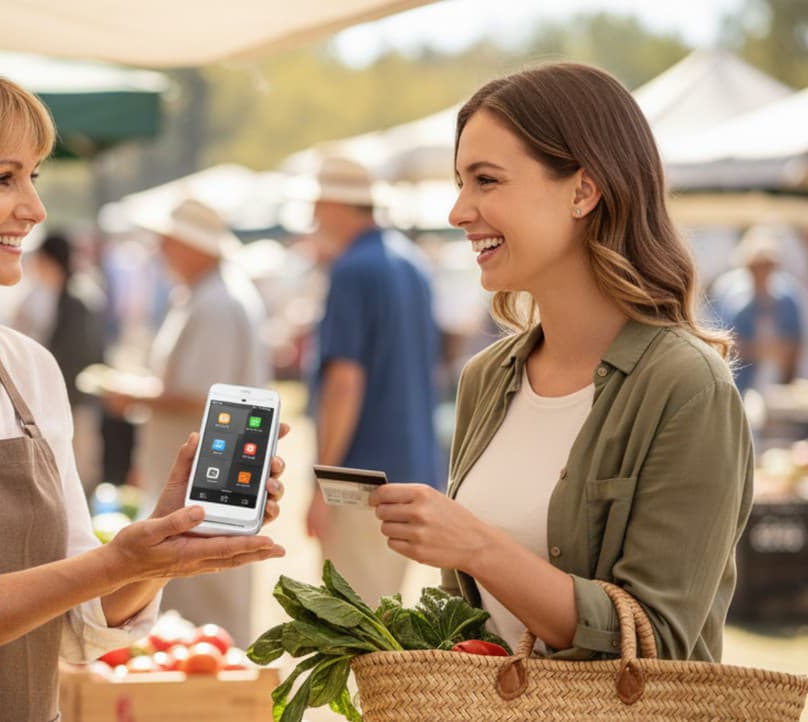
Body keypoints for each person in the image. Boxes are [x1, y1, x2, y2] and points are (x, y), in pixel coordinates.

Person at [0, 57, 286, 722]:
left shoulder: (27, 369)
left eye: (34, 176)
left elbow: (78, 630)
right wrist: (112, 565)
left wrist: (153, 553)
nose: (35, 209)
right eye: (3, 178)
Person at [369, 62, 753, 661]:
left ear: (582, 191)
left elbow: (659, 641)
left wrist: (477, 547)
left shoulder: (687, 387)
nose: (458, 211)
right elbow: (473, 622)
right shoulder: (485, 378)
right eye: (461, 182)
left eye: (486, 180)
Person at [104, 198, 270, 647]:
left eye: (170, 240)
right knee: (198, 603)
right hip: (205, 474)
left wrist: (131, 393)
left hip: (210, 478)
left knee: (204, 608)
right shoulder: (210, 294)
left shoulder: (216, 302)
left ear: (195, 246)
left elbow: (203, 393)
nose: (162, 249)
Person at [303, 157, 441, 607]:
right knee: (384, 609)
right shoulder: (412, 264)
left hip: (359, 478)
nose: (313, 216)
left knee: (354, 619)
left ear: (336, 205)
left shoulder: (352, 270)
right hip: (411, 472)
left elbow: (344, 382)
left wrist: (322, 483)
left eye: (318, 204)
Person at [12, 231, 108, 494]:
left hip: (74, 395)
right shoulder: (47, 293)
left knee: (78, 467)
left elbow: (78, 353)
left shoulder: (78, 299)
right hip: (61, 394)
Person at [708, 226, 803, 395]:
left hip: (779, 383)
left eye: (768, 266)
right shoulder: (734, 300)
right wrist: (761, 350)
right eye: (757, 267)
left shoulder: (788, 299)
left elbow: (795, 344)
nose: (762, 273)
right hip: (743, 382)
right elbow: (725, 345)